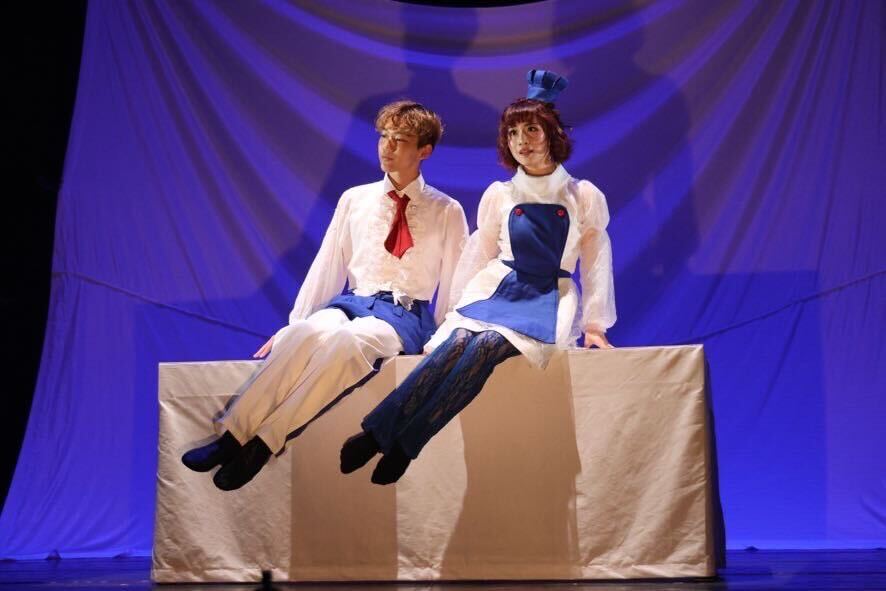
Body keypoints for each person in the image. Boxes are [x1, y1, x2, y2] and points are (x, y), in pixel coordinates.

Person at [340, 70, 617, 485]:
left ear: (552, 134)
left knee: (487, 345)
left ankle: (406, 442)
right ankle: (377, 432)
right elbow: (477, 255)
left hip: (547, 296)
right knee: (458, 343)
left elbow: (596, 261)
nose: (521, 141)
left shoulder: (583, 196)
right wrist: (451, 314)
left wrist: (595, 325)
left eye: (532, 130)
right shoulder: (500, 195)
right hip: (499, 289)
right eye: (513, 133)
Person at [182, 100, 469, 491]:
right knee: (304, 335)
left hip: (404, 313)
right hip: (355, 301)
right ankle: (233, 436)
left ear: (424, 151)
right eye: (384, 137)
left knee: (350, 343)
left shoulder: (446, 210)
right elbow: (328, 263)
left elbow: (454, 281)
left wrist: (442, 342)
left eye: (400, 140)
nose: (387, 147)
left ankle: (264, 443)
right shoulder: (355, 199)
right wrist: (295, 323)